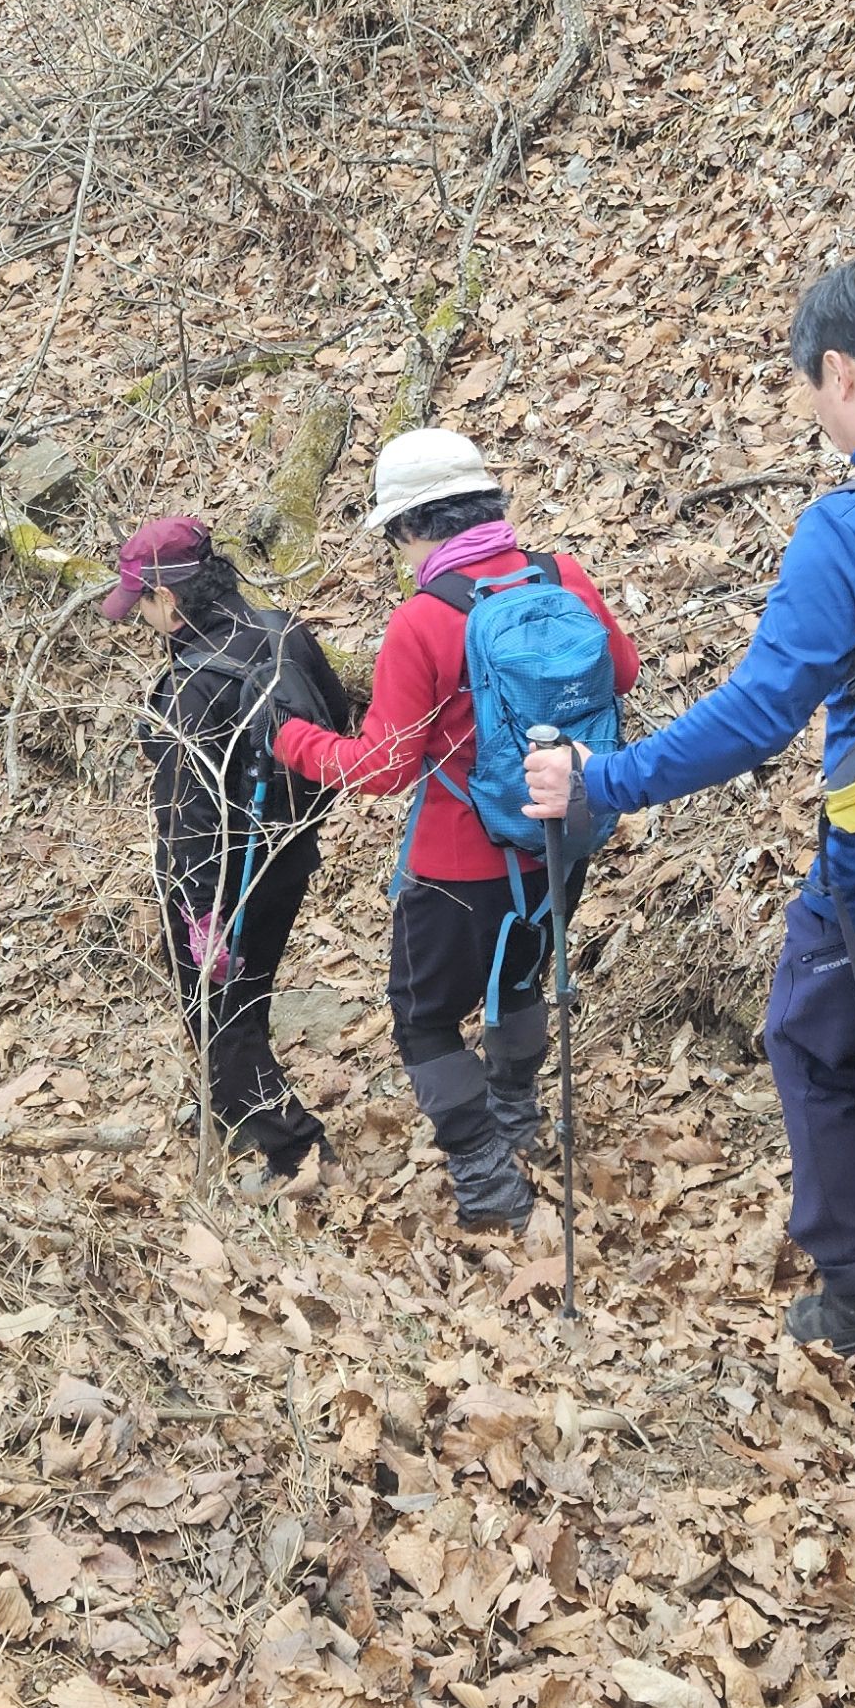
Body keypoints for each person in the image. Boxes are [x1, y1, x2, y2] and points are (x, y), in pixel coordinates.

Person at [523, 258, 855, 1396]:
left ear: (840, 371)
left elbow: (760, 713)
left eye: (812, 388)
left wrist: (605, 780)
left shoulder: (852, 523)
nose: (816, 411)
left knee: (811, 1043)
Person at [271, 428, 637, 1232]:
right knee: (519, 981)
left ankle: (486, 1180)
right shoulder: (562, 576)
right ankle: (517, 1120)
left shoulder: (424, 620)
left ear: (411, 525)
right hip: (559, 834)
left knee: (425, 1017)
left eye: (395, 537)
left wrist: (292, 741)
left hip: (457, 863)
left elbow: (382, 767)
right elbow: (622, 671)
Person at [110, 515, 348, 1195]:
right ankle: (238, 1105)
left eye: (141, 603)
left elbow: (186, 818)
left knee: (216, 1016)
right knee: (249, 996)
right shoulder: (282, 631)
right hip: (288, 852)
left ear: (168, 597)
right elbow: (337, 723)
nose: (141, 619)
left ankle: (297, 1150)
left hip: (220, 880)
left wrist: (197, 915)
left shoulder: (192, 686)